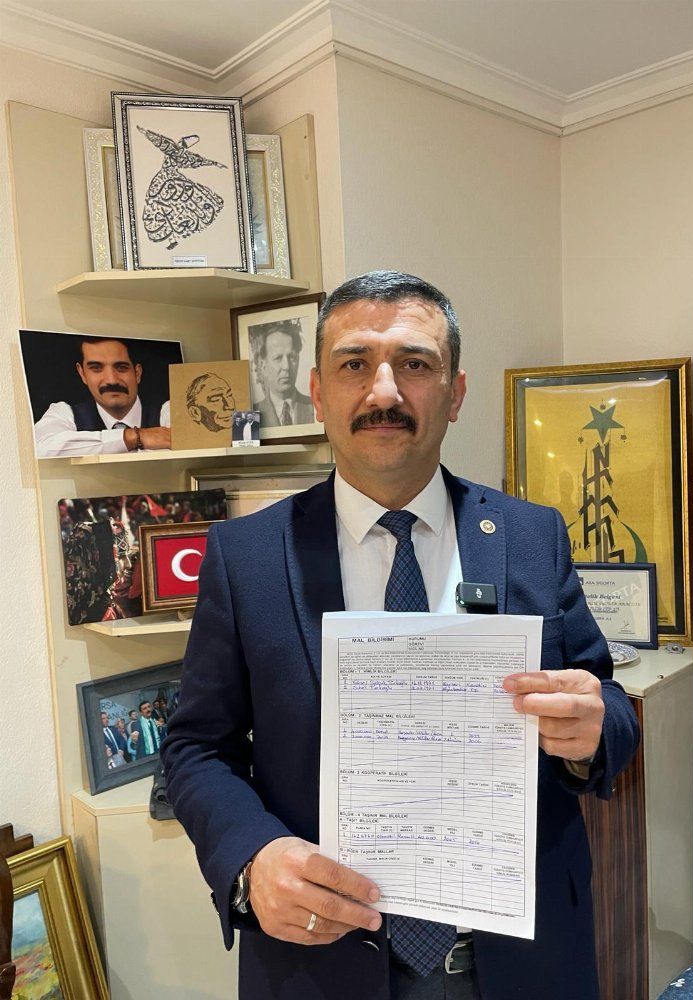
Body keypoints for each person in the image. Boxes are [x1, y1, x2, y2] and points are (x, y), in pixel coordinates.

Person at [162, 270, 640, 1000]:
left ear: (455, 391)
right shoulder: (245, 558)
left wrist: (594, 728)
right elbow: (197, 747)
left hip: (524, 961)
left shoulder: (531, 537)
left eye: (414, 364)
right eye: (355, 364)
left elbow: (608, 703)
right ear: (318, 392)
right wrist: (250, 857)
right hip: (322, 968)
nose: (383, 391)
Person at [34, 337, 171, 458]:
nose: (111, 380)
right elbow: (42, 449)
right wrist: (134, 437)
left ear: (137, 373)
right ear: (82, 374)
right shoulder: (63, 413)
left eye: (121, 368)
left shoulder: (168, 410)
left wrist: (86, 449)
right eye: (96, 368)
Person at [252, 320, 314, 427]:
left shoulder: (315, 407)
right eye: (278, 358)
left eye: (292, 357)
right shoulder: (252, 413)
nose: (287, 367)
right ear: (263, 365)